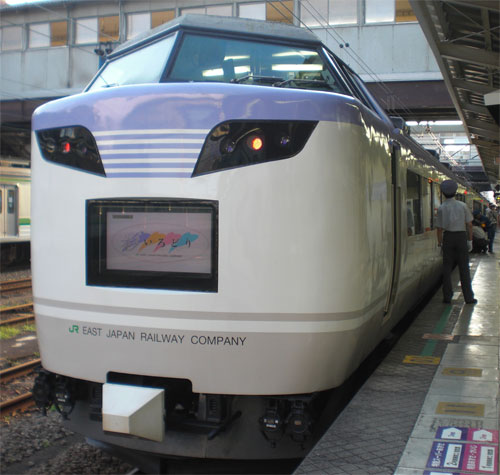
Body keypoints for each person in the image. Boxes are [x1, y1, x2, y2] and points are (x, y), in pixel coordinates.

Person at [435, 180, 477, 304]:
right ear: (455, 192)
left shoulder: (441, 208)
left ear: (443, 193)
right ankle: (468, 297)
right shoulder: (462, 205)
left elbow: (439, 229)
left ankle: (447, 296)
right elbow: (469, 225)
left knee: (446, 268)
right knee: (464, 268)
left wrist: (440, 244)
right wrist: (470, 240)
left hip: (448, 237)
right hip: (461, 237)